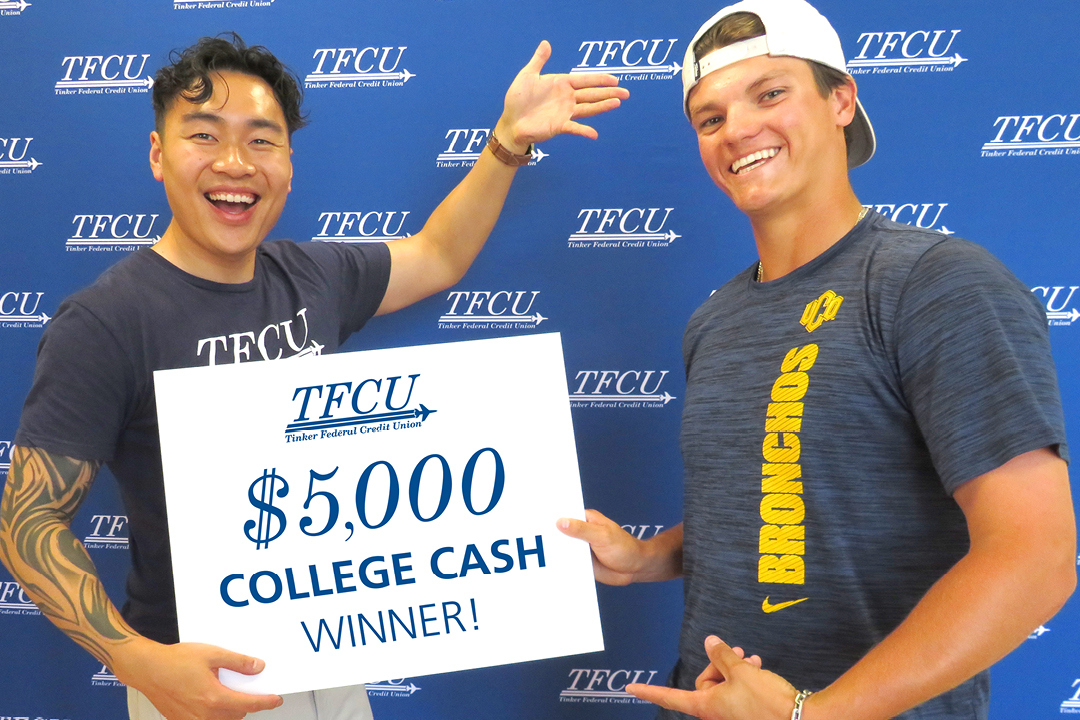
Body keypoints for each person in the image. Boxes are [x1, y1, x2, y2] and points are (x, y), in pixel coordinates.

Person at [0, 33, 627, 720]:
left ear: (290, 166)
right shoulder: (106, 319)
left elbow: (439, 254)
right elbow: (28, 517)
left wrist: (507, 141)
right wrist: (131, 656)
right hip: (201, 676)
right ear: (158, 156)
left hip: (330, 650)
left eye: (262, 140)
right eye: (204, 136)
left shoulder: (314, 277)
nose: (235, 162)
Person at [557, 1, 1075, 718]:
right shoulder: (716, 320)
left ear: (841, 99)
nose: (737, 129)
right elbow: (777, 504)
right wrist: (649, 558)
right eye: (710, 118)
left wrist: (814, 712)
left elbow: (1035, 557)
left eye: (770, 94)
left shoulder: (935, 282)